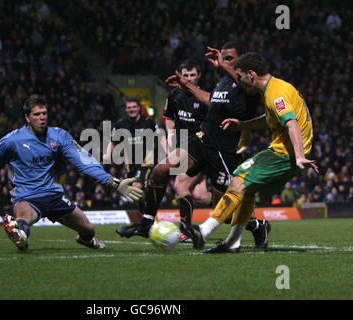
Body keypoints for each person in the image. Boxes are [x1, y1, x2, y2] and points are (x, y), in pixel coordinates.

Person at [0, 95, 144, 251]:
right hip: (26, 196)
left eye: (45, 113)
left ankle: (85, 240)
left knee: (89, 229)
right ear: (27, 117)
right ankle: (20, 233)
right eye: (37, 114)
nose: (42, 117)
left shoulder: (59, 136)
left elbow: (83, 162)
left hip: (54, 196)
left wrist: (113, 182)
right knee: (24, 218)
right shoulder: (12, 141)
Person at [116, 41, 271, 249]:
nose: (222, 62)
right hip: (203, 139)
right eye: (222, 58)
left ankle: (257, 225)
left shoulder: (251, 83)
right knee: (161, 170)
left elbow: (249, 87)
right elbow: (211, 100)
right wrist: (187, 86)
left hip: (226, 151)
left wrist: (223, 66)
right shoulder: (224, 81)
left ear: (242, 59)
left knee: (221, 211)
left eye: (228, 58)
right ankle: (147, 222)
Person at [202, 52, 318, 253]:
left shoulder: (276, 93)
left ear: (251, 75)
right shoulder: (275, 89)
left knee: (238, 179)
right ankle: (232, 243)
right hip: (288, 153)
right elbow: (270, 119)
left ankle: (202, 231)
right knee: (248, 189)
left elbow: (291, 124)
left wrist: (299, 155)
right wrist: (242, 125)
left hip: (285, 154)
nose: (238, 81)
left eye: (240, 76)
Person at [159, 59, 211, 241]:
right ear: (179, 75)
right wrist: (171, 136)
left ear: (199, 76)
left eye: (192, 75)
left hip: (200, 147)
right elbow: (169, 117)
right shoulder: (173, 95)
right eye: (185, 75)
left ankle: (186, 230)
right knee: (200, 196)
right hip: (182, 146)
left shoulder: (204, 97)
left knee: (180, 184)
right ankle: (230, 205)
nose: (189, 79)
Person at [103, 97, 165, 213]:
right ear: (126, 109)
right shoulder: (120, 125)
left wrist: (167, 152)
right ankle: (147, 216)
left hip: (146, 161)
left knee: (137, 187)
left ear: (138, 108)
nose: (132, 109)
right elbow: (112, 141)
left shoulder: (148, 122)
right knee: (135, 193)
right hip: (130, 164)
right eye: (129, 107)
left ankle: (148, 215)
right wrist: (106, 156)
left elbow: (161, 136)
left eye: (134, 107)